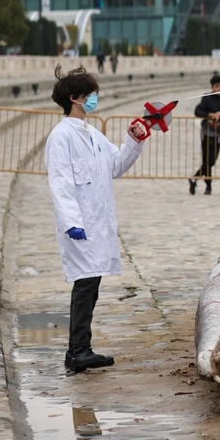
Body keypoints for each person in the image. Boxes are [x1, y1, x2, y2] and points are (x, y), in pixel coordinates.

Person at [44, 65, 150, 373]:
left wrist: (133, 141)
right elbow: (60, 182)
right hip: (80, 224)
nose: (94, 99)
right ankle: (79, 351)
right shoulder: (61, 136)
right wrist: (70, 221)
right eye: (90, 94)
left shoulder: (92, 134)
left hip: (98, 222)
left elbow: (115, 165)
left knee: (91, 282)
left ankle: (78, 349)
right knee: (85, 283)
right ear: (75, 98)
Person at [190, 74, 220, 195]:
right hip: (207, 132)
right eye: (217, 86)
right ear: (212, 87)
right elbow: (197, 111)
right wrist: (209, 114)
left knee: (212, 160)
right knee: (207, 160)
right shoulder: (207, 98)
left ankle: (194, 178)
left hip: (219, 133)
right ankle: (208, 186)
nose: (219, 88)